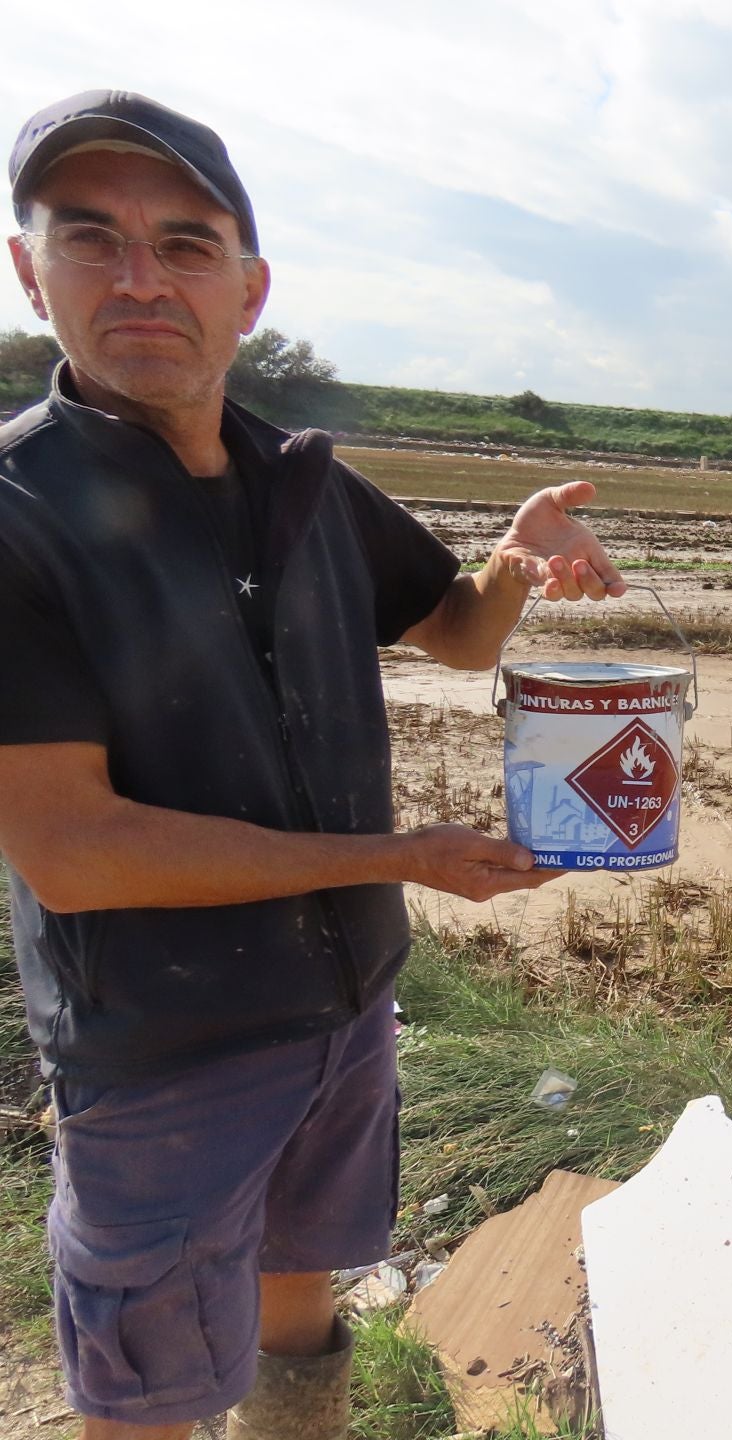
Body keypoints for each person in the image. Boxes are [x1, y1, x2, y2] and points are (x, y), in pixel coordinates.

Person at [0, 90, 624, 1440]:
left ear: (249, 286)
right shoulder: (17, 521)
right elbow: (73, 846)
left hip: (343, 1013)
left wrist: (515, 556)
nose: (142, 278)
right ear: (28, 270)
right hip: (163, 1054)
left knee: (302, 1293)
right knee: (149, 1392)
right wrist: (399, 859)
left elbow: (456, 635)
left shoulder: (303, 485)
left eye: (186, 244)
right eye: (93, 239)